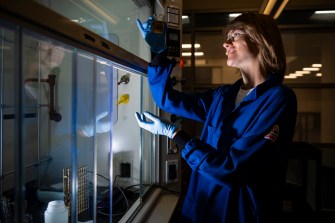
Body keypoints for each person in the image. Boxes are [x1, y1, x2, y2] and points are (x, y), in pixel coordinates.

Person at [135, 12, 297, 223]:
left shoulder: (278, 99)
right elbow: (168, 100)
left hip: (238, 213)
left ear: (260, 40)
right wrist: (159, 53)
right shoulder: (223, 96)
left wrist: (174, 134)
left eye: (235, 35)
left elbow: (232, 169)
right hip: (199, 208)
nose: (226, 43)